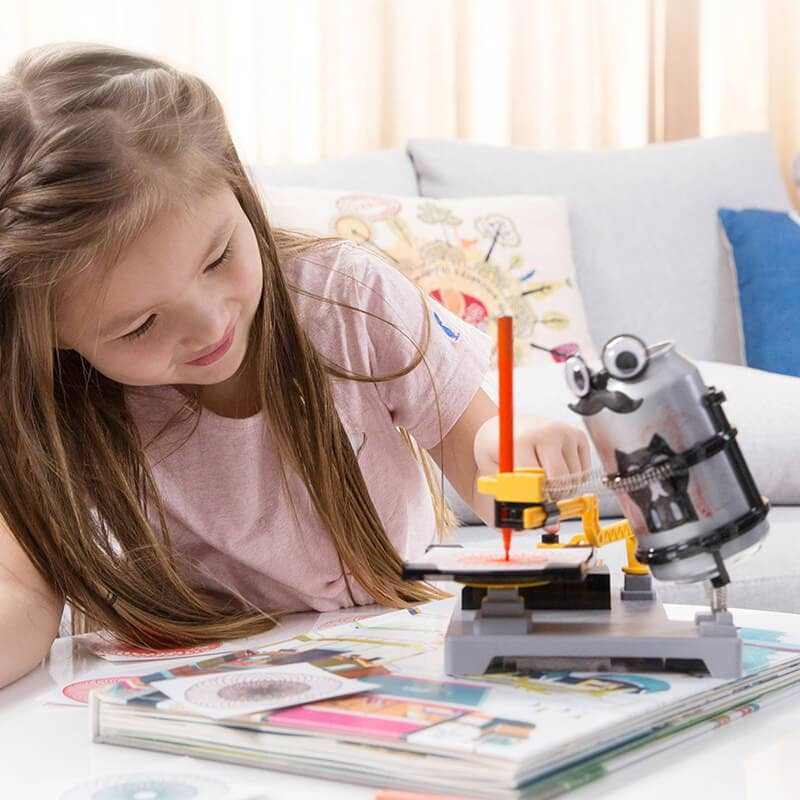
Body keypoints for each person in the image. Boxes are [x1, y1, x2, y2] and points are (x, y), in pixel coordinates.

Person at [0, 43, 590, 688]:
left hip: (386, 644)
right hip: (195, 674)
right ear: (50, 337)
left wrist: (516, 457)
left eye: (218, 258)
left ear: (238, 188)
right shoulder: (46, 402)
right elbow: (20, 595)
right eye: (140, 325)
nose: (210, 324)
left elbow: (483, 467)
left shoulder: (349, 295)